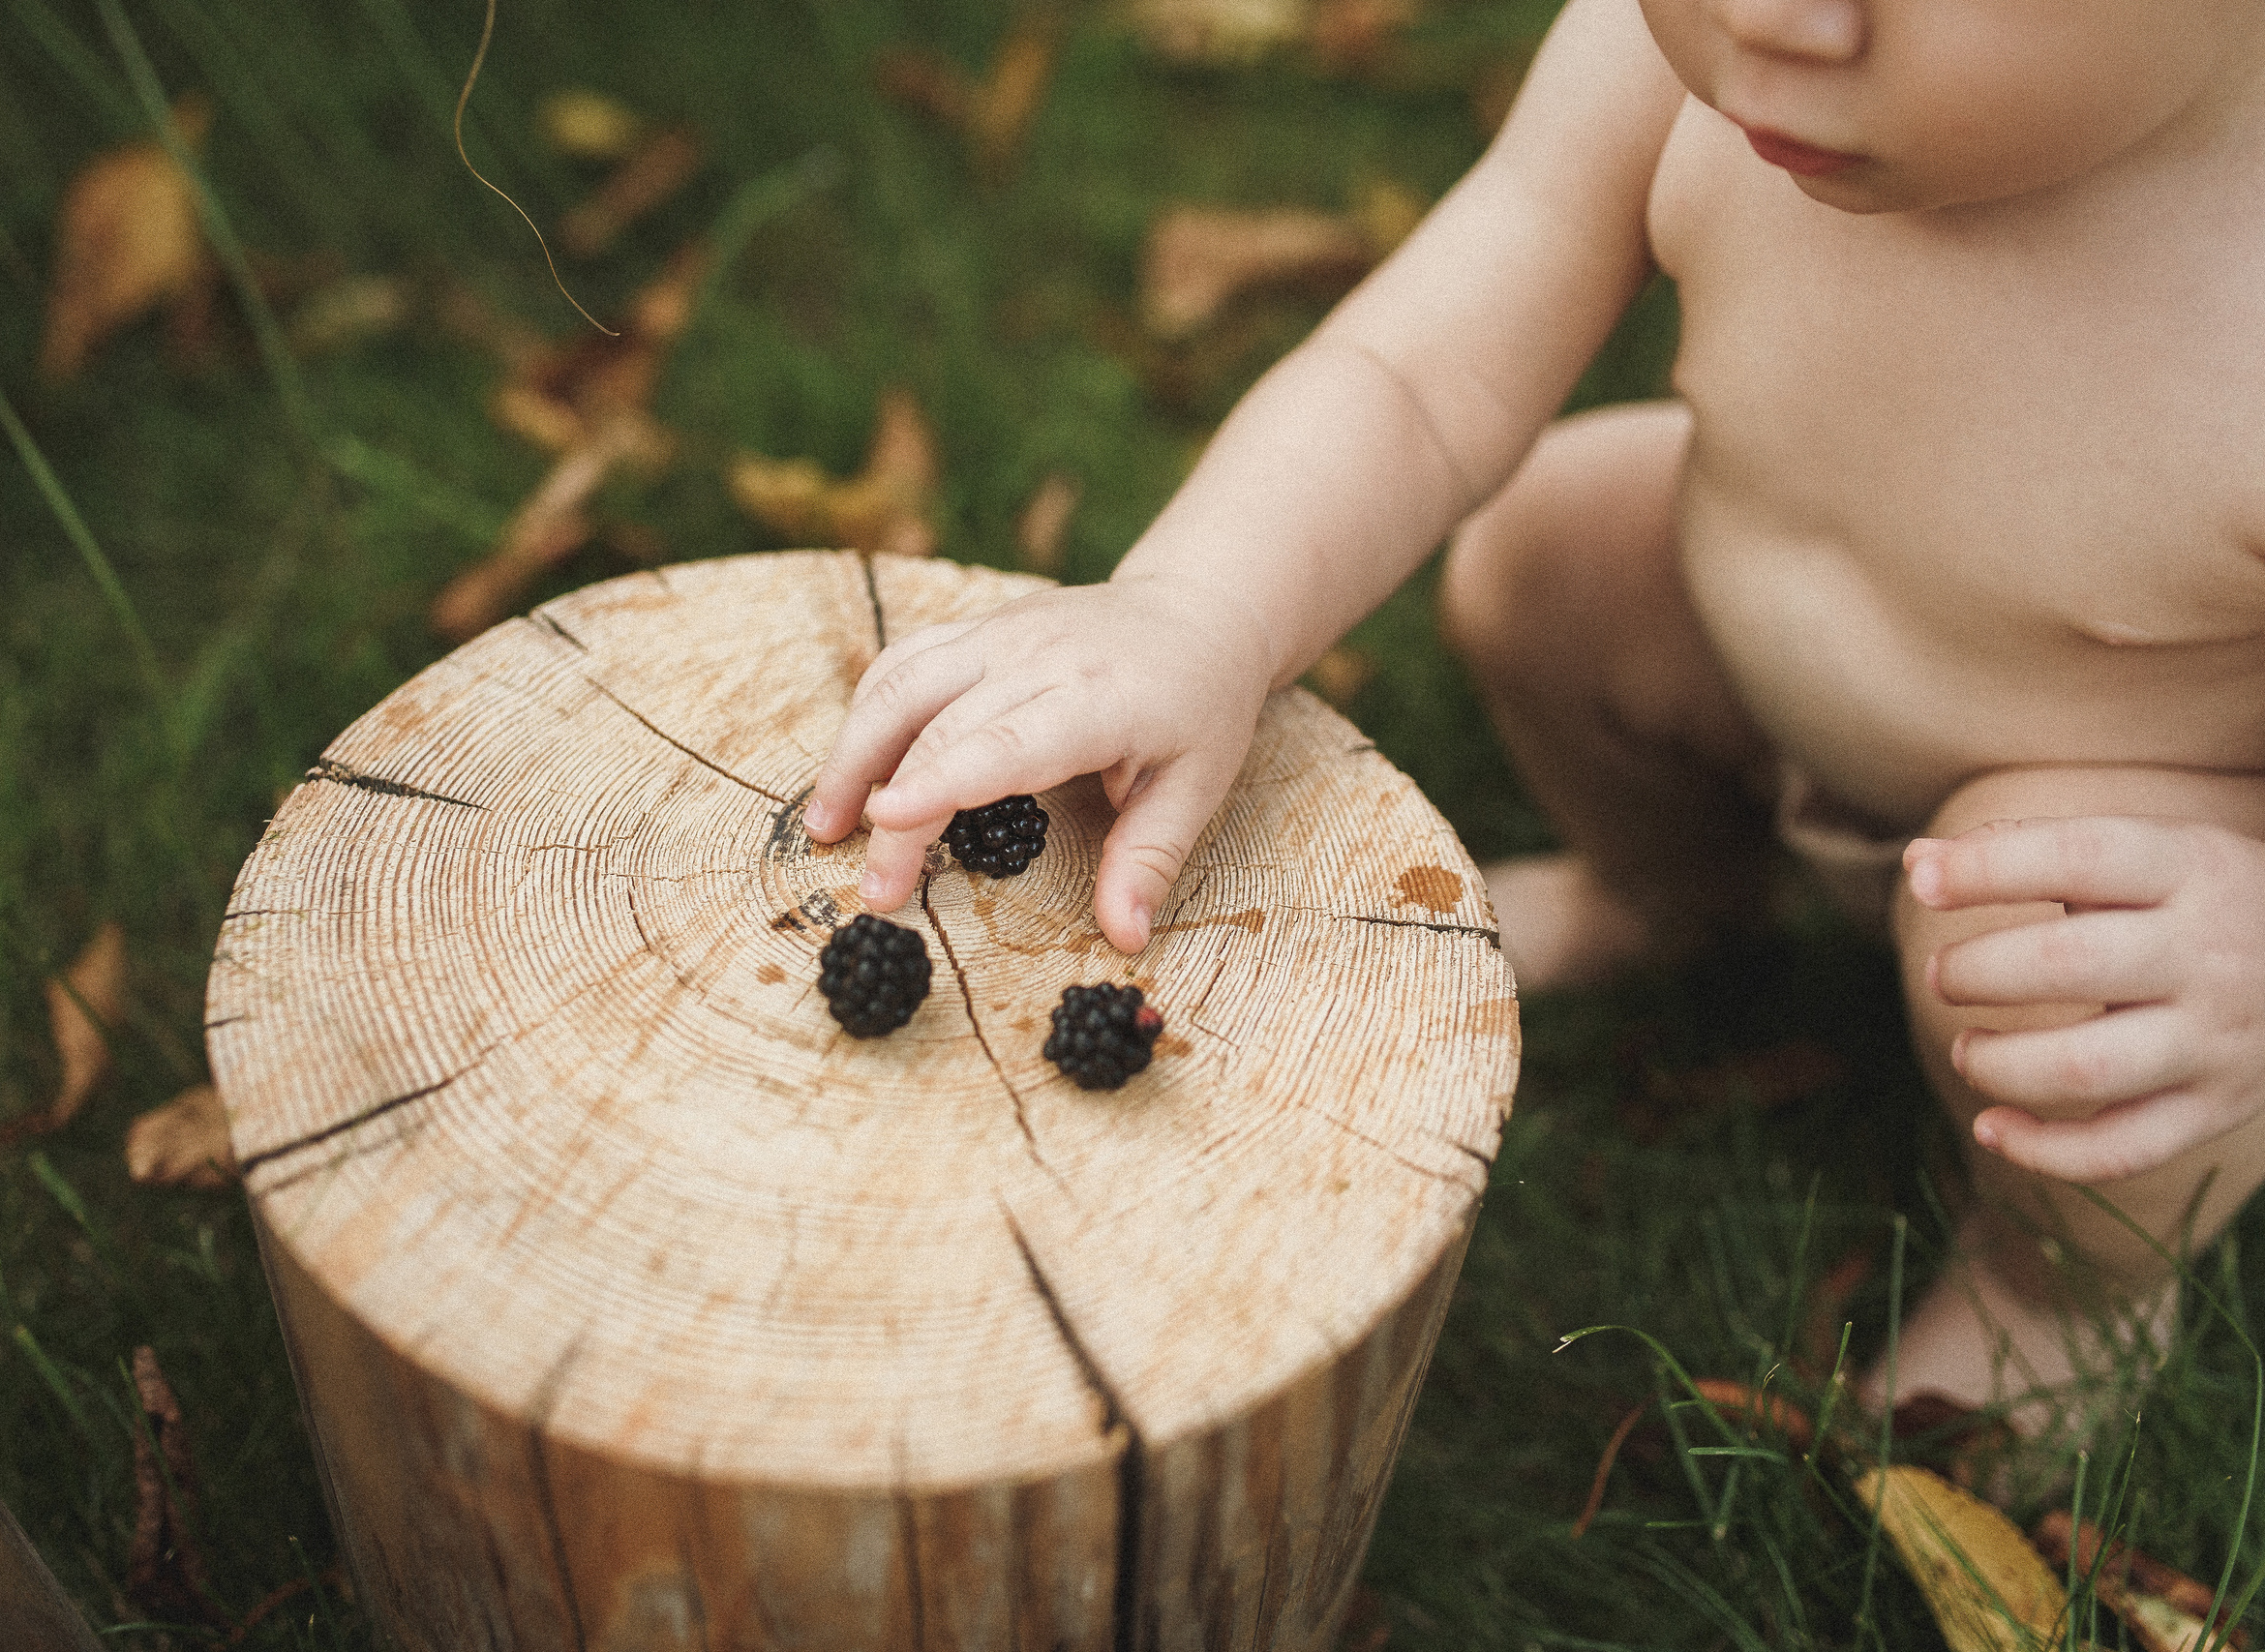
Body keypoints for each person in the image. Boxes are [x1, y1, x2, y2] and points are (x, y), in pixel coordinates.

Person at [804, 0, 2265, 1434]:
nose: (1779, 19)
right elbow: (1418, 373)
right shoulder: (1665, 58)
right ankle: (1671, 892)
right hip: (1763, 663)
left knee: (2066, 950)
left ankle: (2070, 1289)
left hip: (2125, 824)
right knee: (1547, 553)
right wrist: (1196, 607)